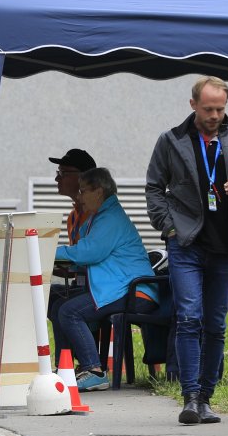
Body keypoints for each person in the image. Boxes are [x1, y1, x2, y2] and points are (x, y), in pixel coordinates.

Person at [145, 77, 228, 426]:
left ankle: (206, 399)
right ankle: (190, 397)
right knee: (188, 318)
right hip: (186, 245)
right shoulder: (171, 140)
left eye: (220, 109)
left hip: (225, 247)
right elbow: (154, 188)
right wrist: (169, 228)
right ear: (193, 105)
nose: (215, 115)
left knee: (215, 325)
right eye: (208, 108)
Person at [53, 168, 161, 393]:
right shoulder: (102, 216)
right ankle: (65, 368)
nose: (80, 196)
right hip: (120, 287)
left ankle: (94, 371)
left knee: (69, 311)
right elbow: (93, 255)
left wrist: (49, 251)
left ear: (99, 192)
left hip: (134, 291)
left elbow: (89, 252)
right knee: (58, 303)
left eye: (83, 191)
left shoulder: (110, 218)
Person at [45, 147, 97, 360]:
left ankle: (78, 363)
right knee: (49, 295)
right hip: (82, 283)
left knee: (63, 306)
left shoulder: (97, 214)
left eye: (63, 173)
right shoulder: (74, 216)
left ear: (82, 178)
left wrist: (46, 252)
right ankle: (66, 361)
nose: (57, 178)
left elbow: (90, 255)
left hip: (100, 287)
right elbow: (78, 262)